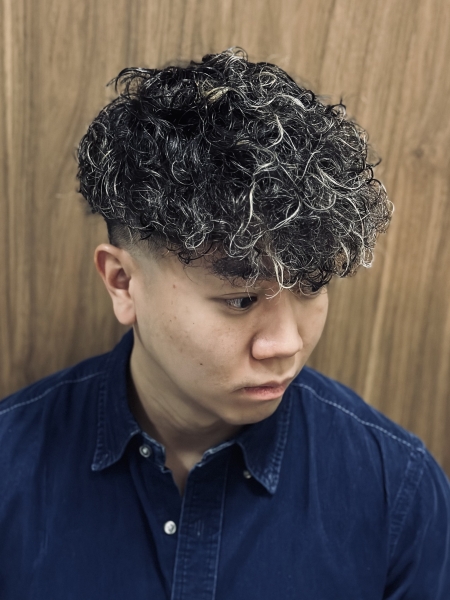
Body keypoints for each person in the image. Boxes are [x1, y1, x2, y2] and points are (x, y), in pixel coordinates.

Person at [1, 48, 449, 599]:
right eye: (240, 300)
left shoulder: (398, 490)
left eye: (311, 287)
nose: (285, 344)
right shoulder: (9, 471)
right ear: (122, 282)